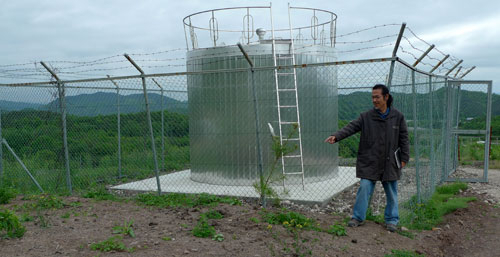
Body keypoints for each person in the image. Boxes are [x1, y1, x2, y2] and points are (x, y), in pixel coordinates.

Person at [324, 84, 409, 232]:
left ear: (386, 97)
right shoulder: (366, 117)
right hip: (370, 161)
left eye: (377, 97)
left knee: (391, 192)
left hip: (390, 162)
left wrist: (404, 158)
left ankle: (391, 220)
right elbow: (351, 127)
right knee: (364, 187)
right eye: (373, 97)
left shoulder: (398, 117)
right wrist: (336, 136)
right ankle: (358, 217)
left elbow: (404, 139)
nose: (374, 100)